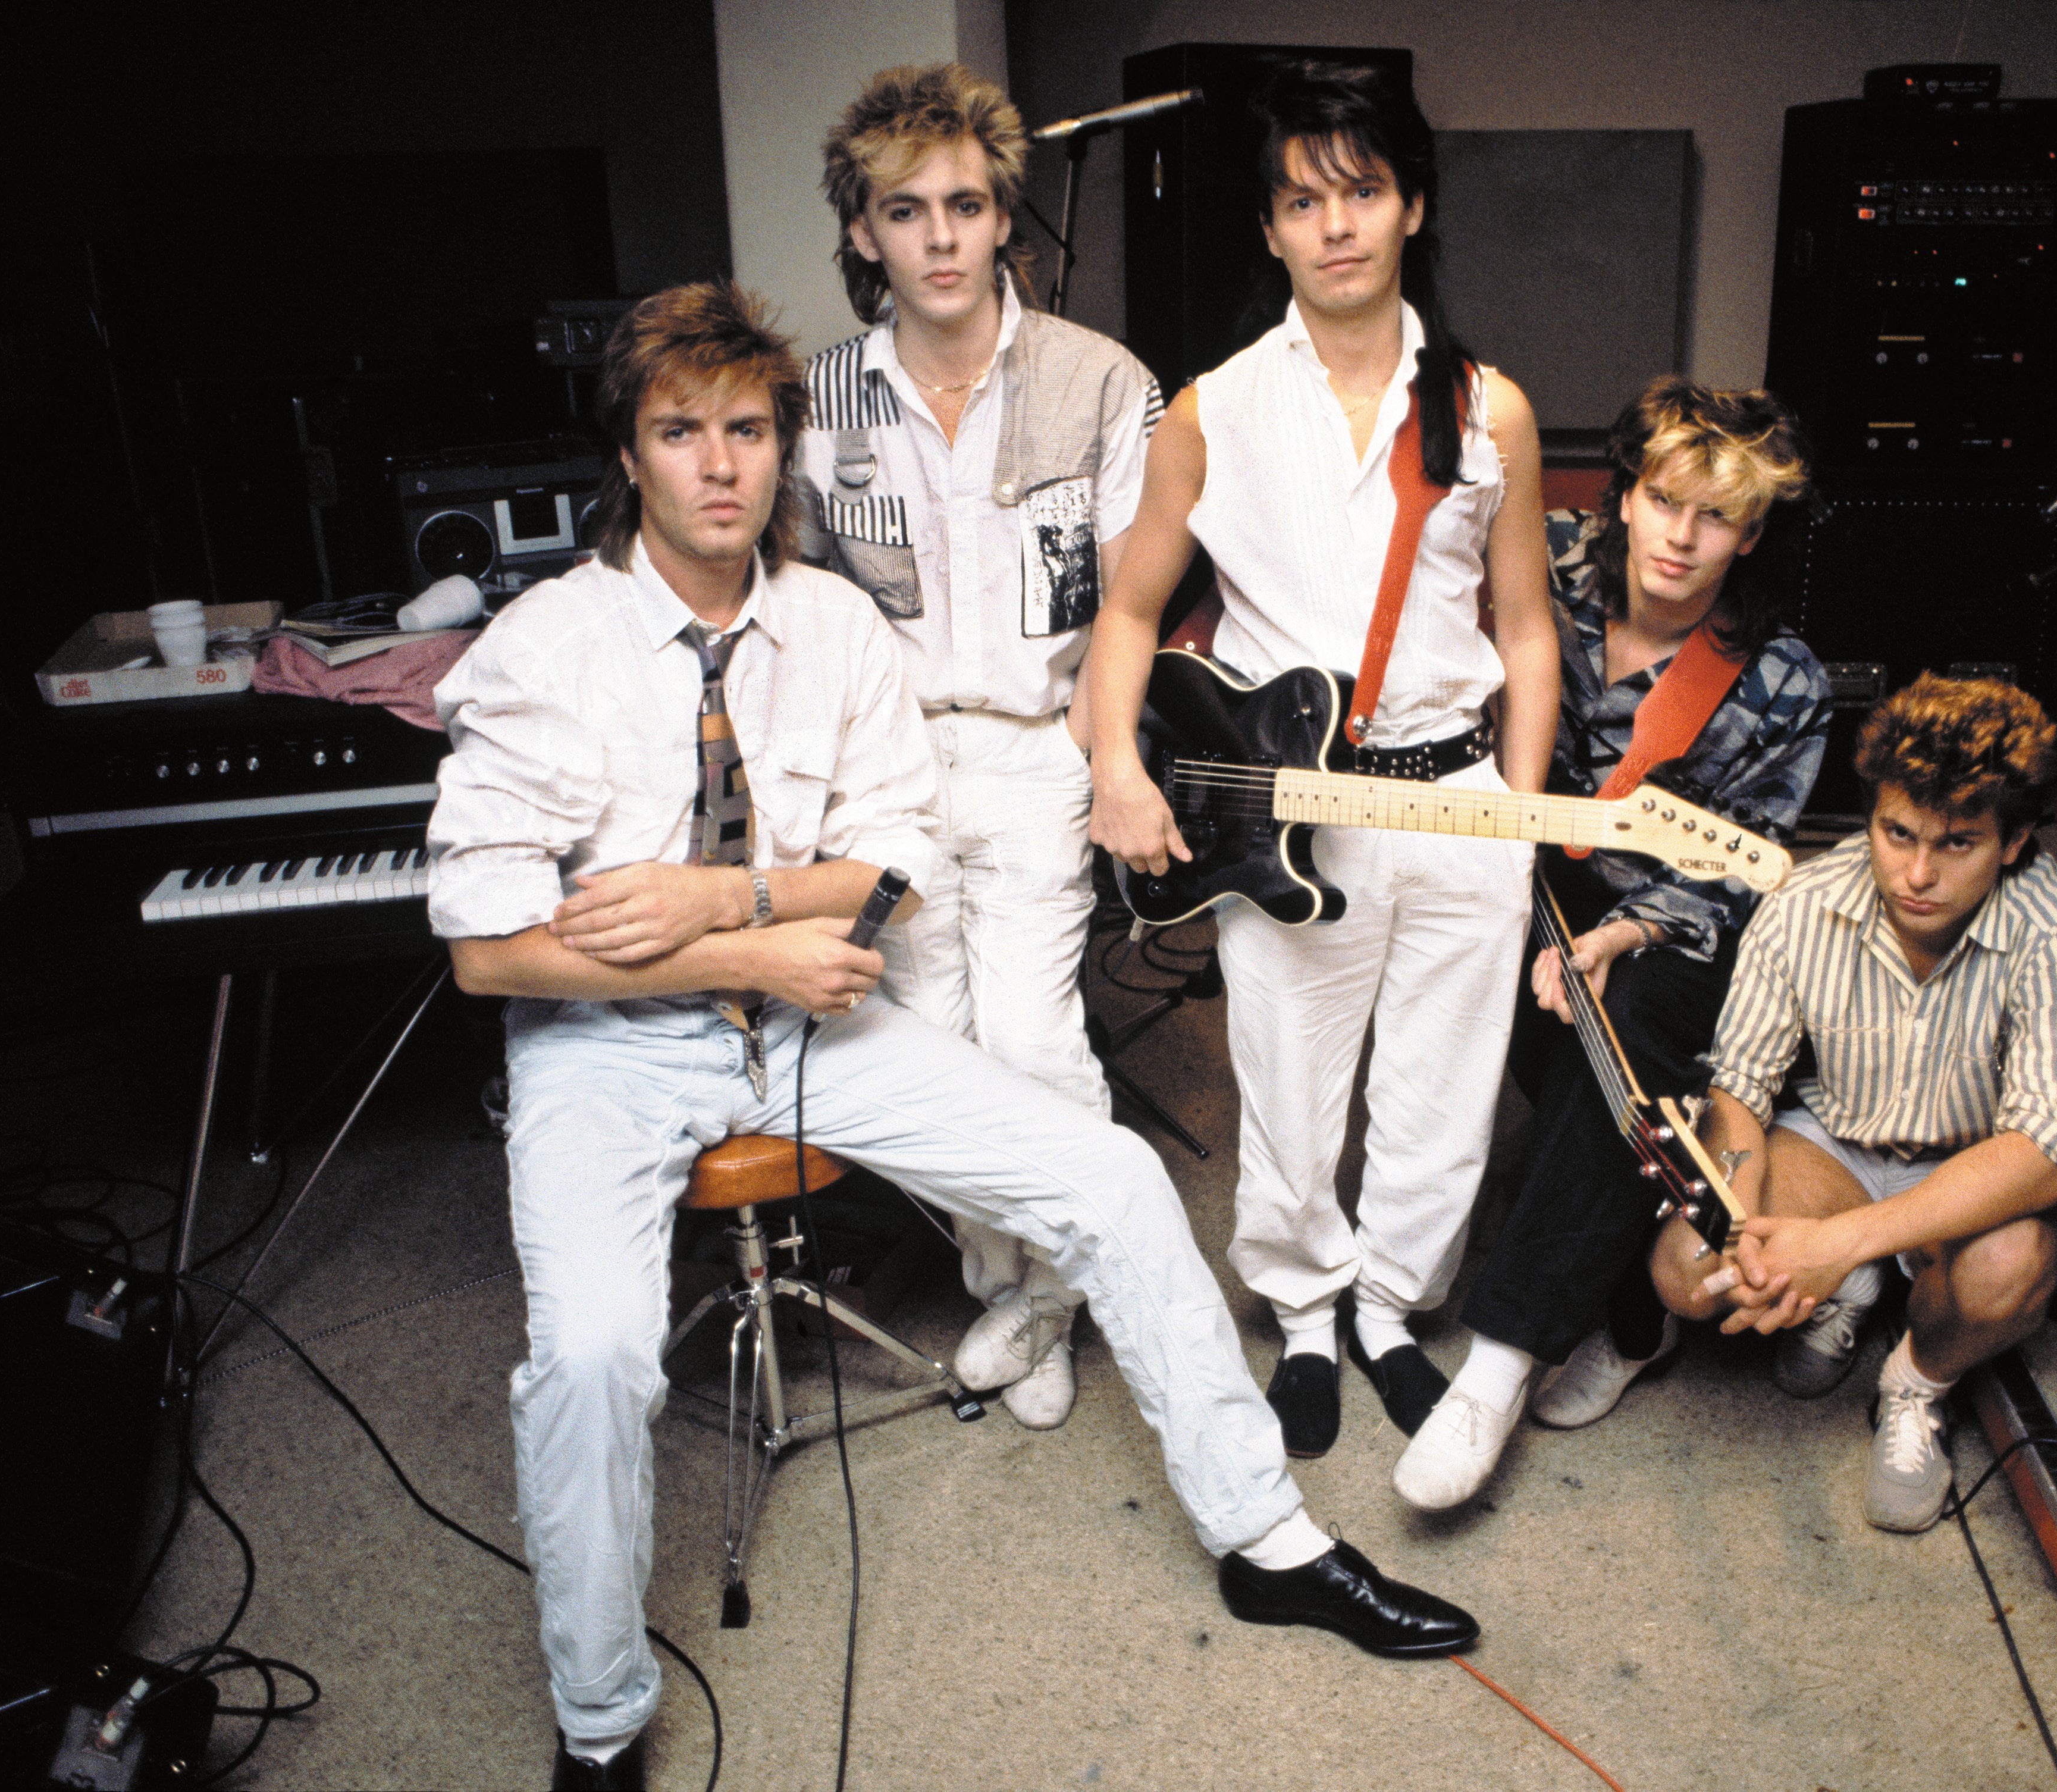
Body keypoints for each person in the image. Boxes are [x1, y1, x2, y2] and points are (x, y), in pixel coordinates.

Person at [427, 280, 1480, 1792]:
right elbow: (484, 951)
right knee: (591, 1357)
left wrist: (722, 903)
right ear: (632, 455)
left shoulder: (833, 626)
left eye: (746, 430)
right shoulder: (546, 646)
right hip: (609, 1044)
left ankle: (1267, 1536)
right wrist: (753, 946)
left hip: (809, 1018)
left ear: (783, 445)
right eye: (681, 434)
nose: (720, 465)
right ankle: (599, 1724)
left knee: (1112, 1183)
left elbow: (889, 860)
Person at [1087, 61, 1562, 1460]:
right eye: (1305, 200)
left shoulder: (1492, 413)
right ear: (1273, 228)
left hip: (1457, 792)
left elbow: (1526, 632)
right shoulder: (1211, 410)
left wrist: (1523, 821)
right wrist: (1117, 763)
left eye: (1362, 191)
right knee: (1290, 1075)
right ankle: (1303, 1311)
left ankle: (1392, 1311)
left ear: (1412, 206)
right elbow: (1128, 608)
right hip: (1290, 804)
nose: (1336, 224)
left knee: (1445, 1084)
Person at [796, 63, 1165, 1430]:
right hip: (885, 767)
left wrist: (1114, 759)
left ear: (1005, 216)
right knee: (928, 1051)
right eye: (908, 211)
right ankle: (1019, 1287)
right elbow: (794, 612)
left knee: (1035, 1043)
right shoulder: (819, 401)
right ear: (863, 233)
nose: (942, 238)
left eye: (966, 205)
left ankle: (1050, 1301)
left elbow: (1130, 604)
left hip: (1034, 747)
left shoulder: (1101, 383)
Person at [1389, 379, 1831, 1511]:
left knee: (1627, 1030)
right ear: (1623, 497)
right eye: (1664, 500)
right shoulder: (1532, 569)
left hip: (1663, 924)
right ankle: (1627, 1300)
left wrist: (1622, 933)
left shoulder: (1783, 683)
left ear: (1754, 531)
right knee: (1469, 993)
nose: (1683, 539)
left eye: (1719, 517)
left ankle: (1498, 1362)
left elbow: (1743, 871)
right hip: (1507, 871)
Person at [1653, 674, 2057, 1533]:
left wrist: (1832, 1243)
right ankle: (1851, 1287)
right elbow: (1740, 1088)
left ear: (2012, 844)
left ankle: (1916, 1381)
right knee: (1687, 1270)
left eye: (1959, 844)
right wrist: (1751, 1233)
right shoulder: (1804, 902)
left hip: (1975, 1171)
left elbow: (2051, 1147)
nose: (1918, 873)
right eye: (1896, 834)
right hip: (1835, 1145)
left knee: (2008, 1272)